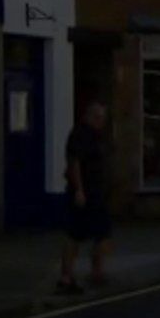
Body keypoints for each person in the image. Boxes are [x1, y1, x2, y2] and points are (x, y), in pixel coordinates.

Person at [58, 101, 111, 294]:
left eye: (103, 118)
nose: (101, 121)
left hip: (96, 192)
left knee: (102, 233)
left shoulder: (95, 136)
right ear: (88, 116)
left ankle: (96, 272)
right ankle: (66, 277)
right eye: (98, 117)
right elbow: (74, 163)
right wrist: (79, 189)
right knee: (75, 234)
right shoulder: (80, 135)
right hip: (84, 193)